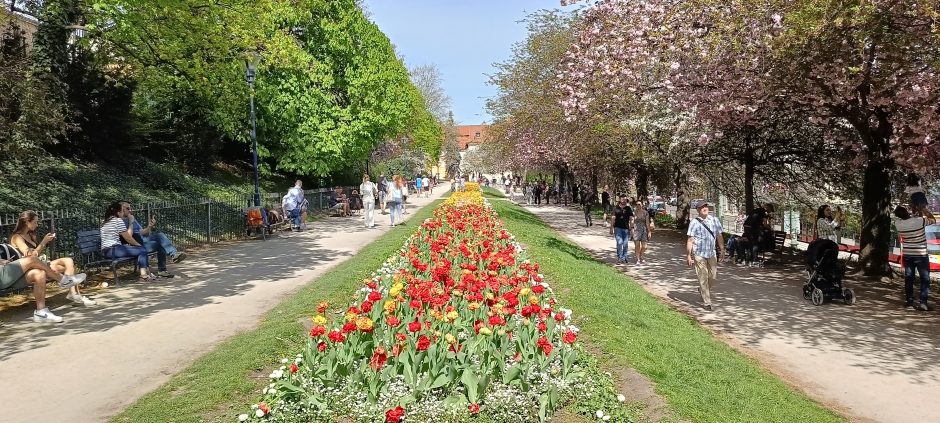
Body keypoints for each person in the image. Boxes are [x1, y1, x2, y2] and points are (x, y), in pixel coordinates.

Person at [10, 211, 96, 306]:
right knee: (69, 269)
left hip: (40, 263)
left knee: (68, 261)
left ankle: (72, 292)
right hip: (28, 269)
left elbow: (36, 254)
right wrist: (43, 242)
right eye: (35, 222)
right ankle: (74, 293)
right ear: (27, 222)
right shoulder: (17, 237)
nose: (37, 225)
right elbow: (31, 256)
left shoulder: (30, 235)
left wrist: (43, 244)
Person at [1, 255, 84, 322]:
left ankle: (41, 312)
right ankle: (63, 280)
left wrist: (2, 261)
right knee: (31, 259)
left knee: (39, 273)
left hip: (6, 274)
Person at [101, 201, 158, 282]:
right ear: (118, 212)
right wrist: (139, 245)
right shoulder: (117, 221)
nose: (123, 212)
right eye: (122, 210)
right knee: (142, 250)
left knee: (140, 250)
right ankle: (144, 275)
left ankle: (147, 273)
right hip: (113, 250)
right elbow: (128, 238)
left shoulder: (105, 221)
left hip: (106, 251)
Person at [126, 204, 187, 278]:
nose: (130, 210)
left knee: (160, 235)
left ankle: (173, 256)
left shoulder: (132, 219)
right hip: (135, 242)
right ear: (121, 210)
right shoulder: (122, 221)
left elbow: (142, 232)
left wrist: (149, 226)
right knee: (160, 245)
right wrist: (130, 222)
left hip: (143, 238)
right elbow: (128, 236)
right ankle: (163, 269)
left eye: (131, 208)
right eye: (128, 208)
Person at [894, 205, 936, 311]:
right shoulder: (919, 221)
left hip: (908, 255)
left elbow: (910, 219)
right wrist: (923, 210)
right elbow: (932, 220)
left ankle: (909, 302)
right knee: (924, 279)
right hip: (921, 255)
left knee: (909, 279)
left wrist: (915, 213)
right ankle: (923, 303)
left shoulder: (898, 224)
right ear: (907, 212)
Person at [687, 201, 724, 311]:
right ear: (698, 210)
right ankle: (707, 302)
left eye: (705, 206)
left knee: (713, 276)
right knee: (703, 277)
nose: (704, 208)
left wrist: (722, 249)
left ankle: (702, 289)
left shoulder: (714, 220)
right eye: (702, 207)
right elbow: (690, 240)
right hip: (699, 254)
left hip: (712, 253)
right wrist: (689, 255)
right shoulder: (694, 222)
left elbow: (719, 235)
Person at [612, 197, 634, 263]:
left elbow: (631, 218)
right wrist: (611, 228)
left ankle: (624, 257)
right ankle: (620, 257)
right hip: (617, 227)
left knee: (625, 244)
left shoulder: (628, 208)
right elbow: (613, 218)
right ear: (620, 200)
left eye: (625, 199)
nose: (623, 200)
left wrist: (632, 227)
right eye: (622, 199)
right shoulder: (616, 208)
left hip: (626, 228)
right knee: (619, 242)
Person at [632, 200, 653, 264]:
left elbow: (647, 222)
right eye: (637, 204)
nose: (638, 205)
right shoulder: (634, 213)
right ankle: (638, 259)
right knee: (637, 245)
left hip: (644, 230)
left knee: (644, 246)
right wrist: (631, 229)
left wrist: (649, 231)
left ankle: (641, 255)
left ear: (642, 205)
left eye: (639, 204)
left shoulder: (645, 213)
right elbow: (632, 222)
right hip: (636, 230)